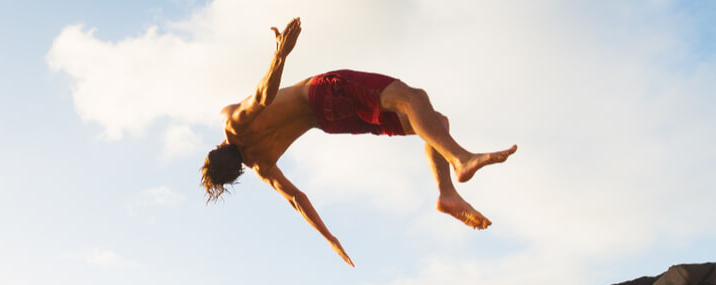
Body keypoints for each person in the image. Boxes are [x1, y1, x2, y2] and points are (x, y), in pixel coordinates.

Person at [202, 18, 516, 267]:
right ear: (216, 149)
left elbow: (297, 199)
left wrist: (329, 238)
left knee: (434, 124)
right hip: (324, 92)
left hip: (331, 122)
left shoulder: (262, 165)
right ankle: (460, 161)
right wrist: (279, 56)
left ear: (237, 172)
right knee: (412, 98)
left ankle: (447, 194)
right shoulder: (232, 122)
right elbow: (261, 97)